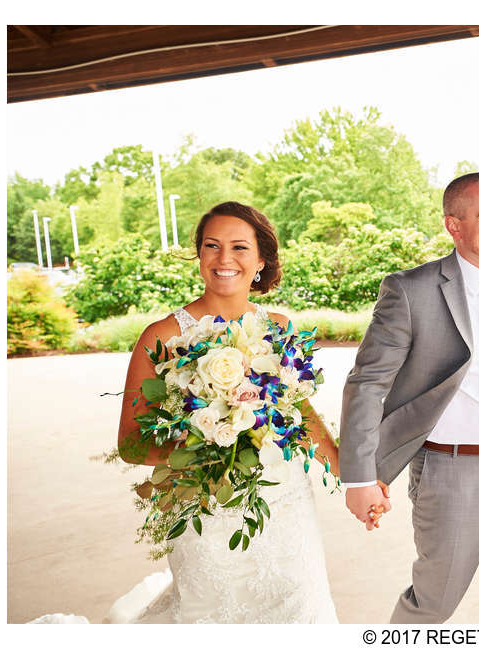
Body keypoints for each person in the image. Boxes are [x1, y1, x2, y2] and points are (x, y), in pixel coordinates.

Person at [339, 173, 479, 624]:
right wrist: (359, 477)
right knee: (432, 605)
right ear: (454, 226)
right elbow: (367, 383)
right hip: (451, 472)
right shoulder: (410, 291)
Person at [111, 201, 340, 623]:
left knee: (299, 608)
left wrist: (352, 475)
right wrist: (211, 445)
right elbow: (129, 444)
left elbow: (300, 416)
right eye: (212, 246)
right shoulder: (163, 335)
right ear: (199, 254)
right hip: (204, 512)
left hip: (283, 502)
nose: (224, 259)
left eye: (239, 247)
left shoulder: (279, 326)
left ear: (260, 260)